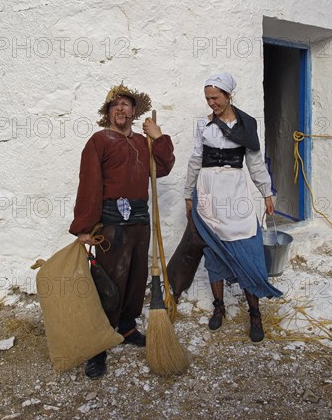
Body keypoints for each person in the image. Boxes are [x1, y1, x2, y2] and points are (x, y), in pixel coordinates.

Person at [69, 83, 175, 379]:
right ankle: (98, 345)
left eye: (126, 104)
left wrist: (159, 137)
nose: (120, 109)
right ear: (107, 112)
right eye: (115, 105)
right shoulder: (99, 141)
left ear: (134, 111)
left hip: (140, 222)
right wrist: (85, 227)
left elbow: (163, 168)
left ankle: (127, 327)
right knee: (109, 284)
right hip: (112, 223)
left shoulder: (144, 143)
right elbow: (89, 183)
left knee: (135, 277)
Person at [183, 72, 282, 342]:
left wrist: (266, 192)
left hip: (235, 193)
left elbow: (255, 162)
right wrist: (187, 194)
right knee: (213, 251)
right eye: (207, 98)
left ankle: (255, 313)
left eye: (215, 97)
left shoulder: (246, 125)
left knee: (247, 248)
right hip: (208, 192)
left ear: (228, 96)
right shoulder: (203, 126)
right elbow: (195, 159)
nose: (211, 103)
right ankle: (219, 307)